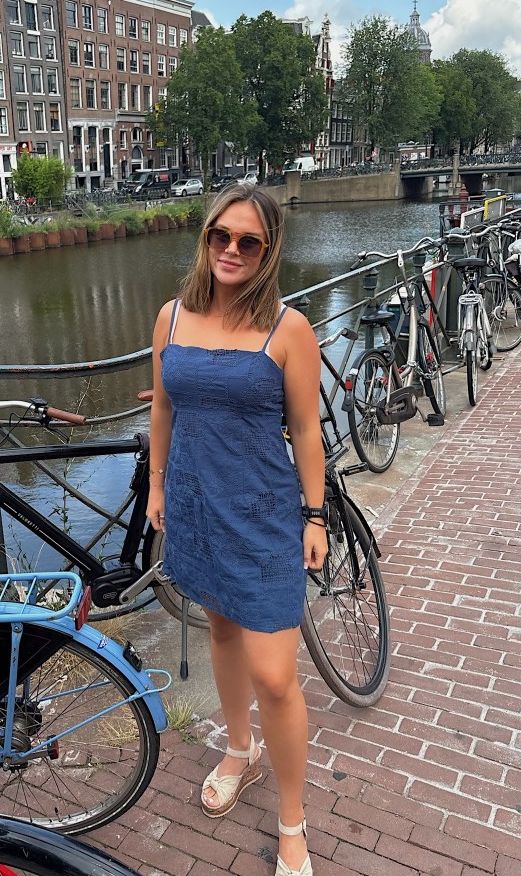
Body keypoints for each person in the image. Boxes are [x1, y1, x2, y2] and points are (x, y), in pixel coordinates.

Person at [147, 183, 327, 876]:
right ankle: (239, 749)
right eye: (220, 235)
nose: (231, 249)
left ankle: (293, 823)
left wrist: (315, 514)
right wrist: (157, 484)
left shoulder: (289, 329)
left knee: (276, 676)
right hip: (195, 507)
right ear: (206, 238)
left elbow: (306, 429)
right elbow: (163, 408)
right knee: (220, 631)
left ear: (268, 250)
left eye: (248, 241)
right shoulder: (170, 318)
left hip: (262, 515)